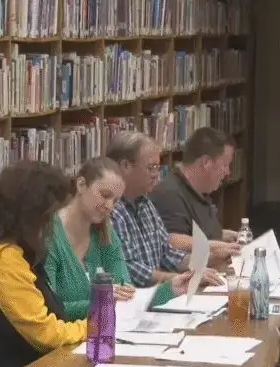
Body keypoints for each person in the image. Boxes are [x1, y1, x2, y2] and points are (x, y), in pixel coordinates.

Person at [0, 160, 194, 367]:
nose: (52, 223)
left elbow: (111, 293)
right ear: (30, 214)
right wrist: (100, 329)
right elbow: (45, 334)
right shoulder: (3, 258)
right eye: (49, 215)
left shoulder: (20, 251)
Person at [46, 157, 178, 318]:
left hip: (103, 330)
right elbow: (48, 310)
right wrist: (102, 300)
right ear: (81, 185)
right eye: (104, 195)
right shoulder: (49, 236)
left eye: (115, 201)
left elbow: (126, 298)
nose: (109, 206)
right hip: (65, 333)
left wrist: (171, 289)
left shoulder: (105, 232)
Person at [107, 131, 222, 289]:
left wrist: (206, 261)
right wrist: (182, 278)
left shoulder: (145, 204)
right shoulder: (110, 209)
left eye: (158, 167)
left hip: (156, 294)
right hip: (132, 298)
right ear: (125, 166)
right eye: (151, 168)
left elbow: (166, 252)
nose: (156, 175)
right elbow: (129, 269)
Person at [148, 126, 241, 266]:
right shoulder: (169, 196)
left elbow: (197, 233)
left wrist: (222, 235)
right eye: (225, 165)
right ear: (206, 162)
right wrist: (216, 246)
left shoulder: (198, 192)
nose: (228, 172)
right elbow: (173, 247)